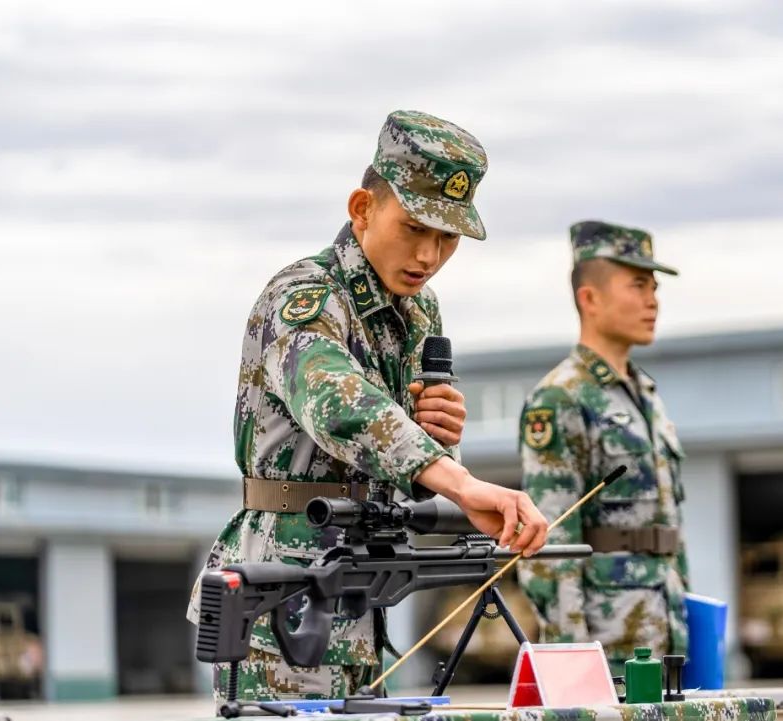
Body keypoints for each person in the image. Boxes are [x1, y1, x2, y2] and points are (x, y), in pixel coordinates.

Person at [187, 110, 548, 702]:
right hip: (283, 588)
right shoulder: (304, 297)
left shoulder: (417, 313)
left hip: (360, 584)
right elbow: (339, 405)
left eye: (448, 237)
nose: (429, 255)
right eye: (414, 228)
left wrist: (437, 437)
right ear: (362, 208)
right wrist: (461, 482)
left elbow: (401, 463)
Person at [516, 220, 688, 674]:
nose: (653, 300)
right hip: (606, 645)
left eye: (654, 287)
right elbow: (548, 543)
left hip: (667, 631)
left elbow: (669, 528)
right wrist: (570, 660)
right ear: (589, 298)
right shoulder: (561, 398)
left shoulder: (646, 395)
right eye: (637, 286)